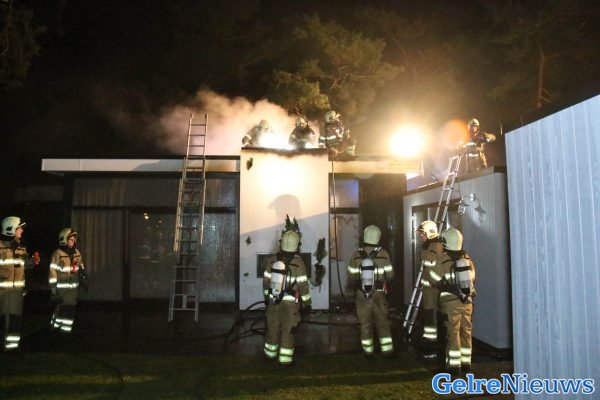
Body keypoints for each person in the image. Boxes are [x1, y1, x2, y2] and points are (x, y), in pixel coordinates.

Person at [426, 227, 476, 375]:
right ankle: (466, 363)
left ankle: (454, 366)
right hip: (467, 301)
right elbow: (473, 277)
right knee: (466, 332)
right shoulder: (467, 259)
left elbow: (433, 279)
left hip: (450, 302)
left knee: (452, 333)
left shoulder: (443, 260)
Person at [262, 230, 311, 366]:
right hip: (290, 305)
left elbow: (266, 281)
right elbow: (303, 285)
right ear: (296, 245)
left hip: (273, 300)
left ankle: (270, 354)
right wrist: (307, 302)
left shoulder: (272, 260)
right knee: (287, 331)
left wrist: (267, 297)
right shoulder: (299, 263)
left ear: (281, 243)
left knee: (272, 327)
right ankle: (285, 359)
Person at [347, 225, 394, 358]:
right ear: (378, 237)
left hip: (362, 294)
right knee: (382, 322)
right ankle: (387, 351)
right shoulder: (384, 254)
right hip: (379, 293)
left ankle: (368, 352)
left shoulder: (356, 255)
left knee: (365, 324)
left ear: (365, 236)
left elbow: (351, 276)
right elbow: (390, 275)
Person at [416, 220, 444, 358]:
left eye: (422, 233)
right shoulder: (432, 245)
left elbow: (432, 268)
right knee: (429, 314)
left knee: (430, 314)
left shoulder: (434, 247)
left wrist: (434, 283)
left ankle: (431, 341)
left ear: (429, 233)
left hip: (432, 288)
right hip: (431, 288)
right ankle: (430, 338)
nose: (421, 236)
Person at [49, 228, 86, 334]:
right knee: (61, 310)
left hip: (73, 290)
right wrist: (54, 291)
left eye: (74, 239)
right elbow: (52, 273)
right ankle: (55, 328)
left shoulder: (77, 253)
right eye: (70, 239)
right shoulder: (57, 254)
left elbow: (81, 268)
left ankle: (64, 333)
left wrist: (83, 280)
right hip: (61, 290)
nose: (73, 241)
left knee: (70, 312)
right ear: (64, 240)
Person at [0, 216, 28, 351]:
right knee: (4, 320)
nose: (22, 230)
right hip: (2, 292)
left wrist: (30, 263)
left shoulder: (21, 247)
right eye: (19, 228)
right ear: (11, 229)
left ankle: (12, 348)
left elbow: (23, 265)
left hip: (16, 292)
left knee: (15, 320)